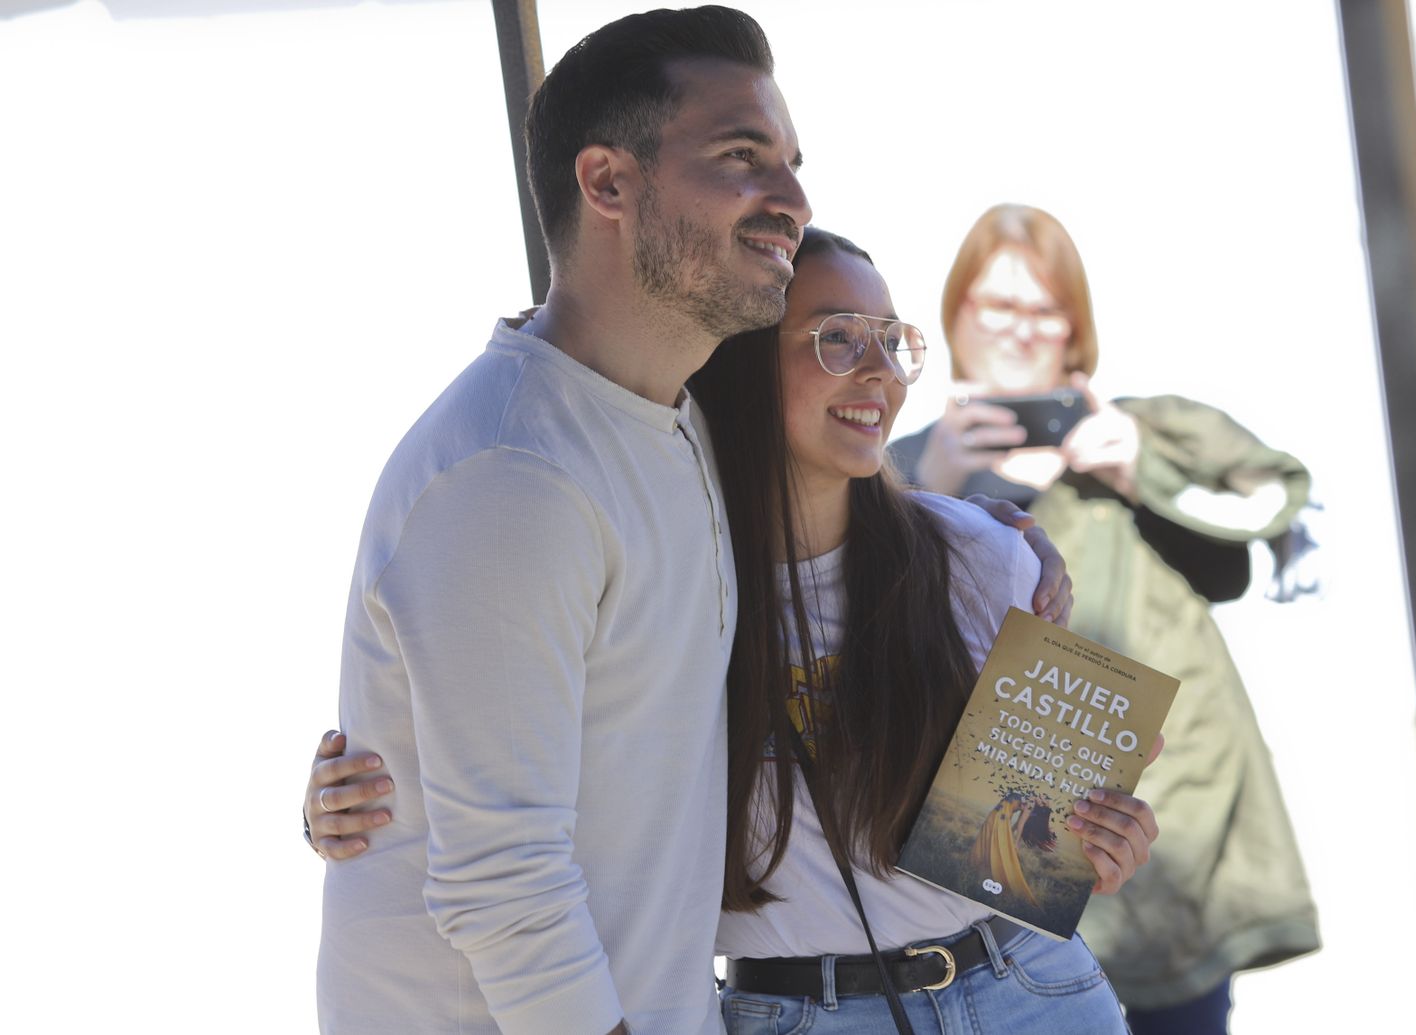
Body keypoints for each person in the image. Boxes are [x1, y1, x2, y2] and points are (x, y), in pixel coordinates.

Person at [311, 12, 1065, 1035]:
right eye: (740, 157)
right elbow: (503, 885)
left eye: (793, 163)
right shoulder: (512, 477)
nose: (793, 199)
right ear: (608, 184)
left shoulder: (668, 426)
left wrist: (991, 539)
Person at [888, 203, 1321, 1034]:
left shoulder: (1143, 431)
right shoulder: (891, 469)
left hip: (1162, 854)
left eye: (1042, 309)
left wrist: (1139, 467)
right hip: (990, 876)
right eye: (995, 306)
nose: (1018, 330)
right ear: (954, 318)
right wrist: (928, 471)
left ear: (1075, 331)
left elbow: (1274, 501)